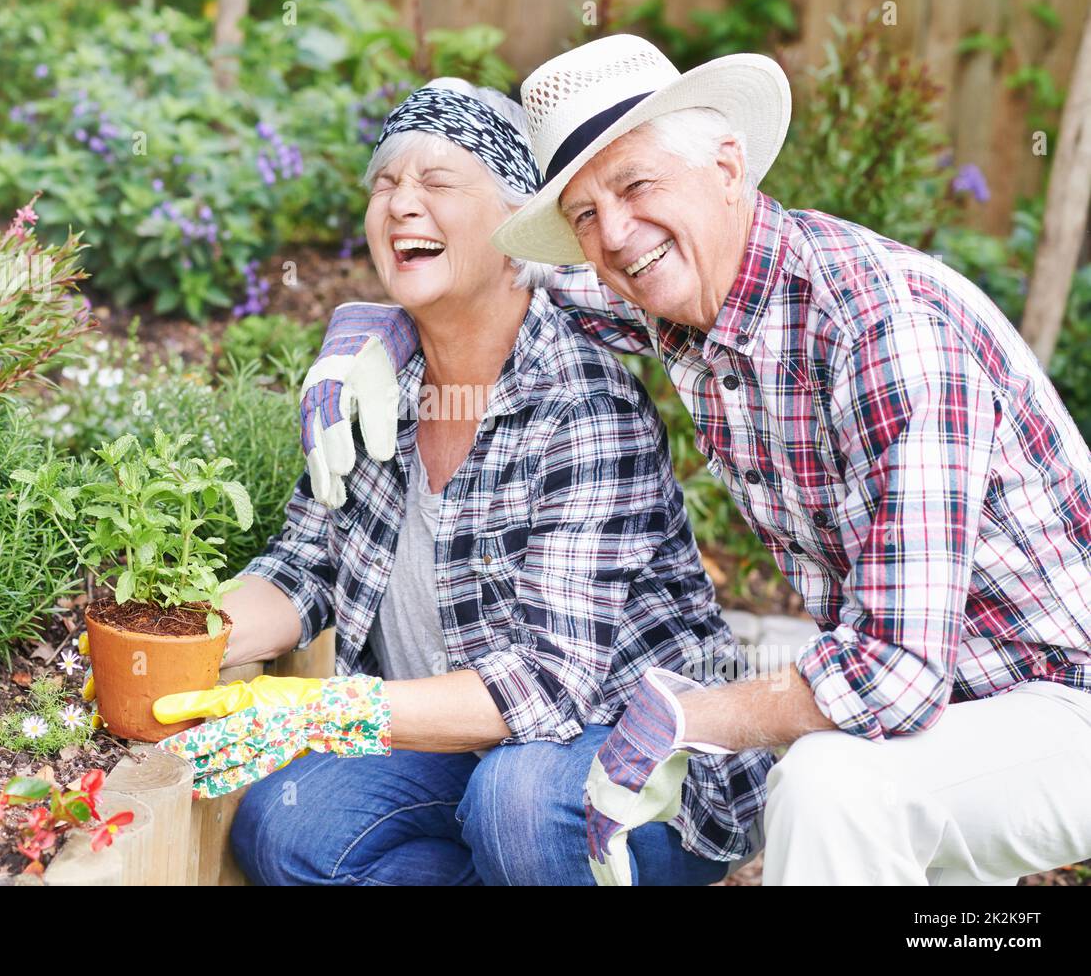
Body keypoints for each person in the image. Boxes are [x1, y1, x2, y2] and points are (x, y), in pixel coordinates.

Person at [304, 37, 1091, 886]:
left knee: (832, 792)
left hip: (1053, 701)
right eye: (584, 214)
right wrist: (373, 323)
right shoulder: (689, 306)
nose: (616, 235)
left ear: (727, 166)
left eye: (638, 186)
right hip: (949, 710)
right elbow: (498, 285)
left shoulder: (883, 331)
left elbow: (894, 675)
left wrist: (689, 713)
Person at [154, 77, 773, 886]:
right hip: (460, 747)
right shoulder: (377, 387)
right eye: (385, 184)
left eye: (439, 183)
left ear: (518, 227)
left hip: (623, 759)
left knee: (514, 804)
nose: (402, 204)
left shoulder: (579, 404)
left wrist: (325, 710)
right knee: (289, 825)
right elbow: (303, 567)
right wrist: (174, 639)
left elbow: (550, 688)